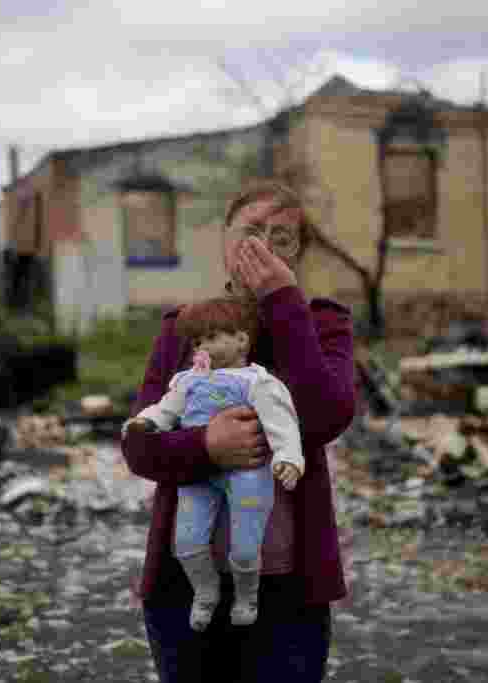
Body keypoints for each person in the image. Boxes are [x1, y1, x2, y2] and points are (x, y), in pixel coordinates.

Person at [121, 179, 357, 683]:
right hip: (184, 586)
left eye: (282, 238)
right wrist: (206, 445)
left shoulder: (324, 325)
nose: (264, 247)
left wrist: (283, 302)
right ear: (224, 242)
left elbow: (324, 418)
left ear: (299, 254)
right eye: (251, 231)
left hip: (288, 591)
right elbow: (140, 446)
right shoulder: (183, 328)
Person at [122, 297, 304, 631]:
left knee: (247, 546)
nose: (204, 346)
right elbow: (165, 409)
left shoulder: (257, 382)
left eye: (214, 336)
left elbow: (282, 423)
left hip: (248, 473)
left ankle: (247, 595)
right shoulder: (186, 381)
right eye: (198, 341)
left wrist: (289, 457)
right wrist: (142, 422)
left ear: (241, 339)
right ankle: (206, 591)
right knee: (187, 542)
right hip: (199, 473)